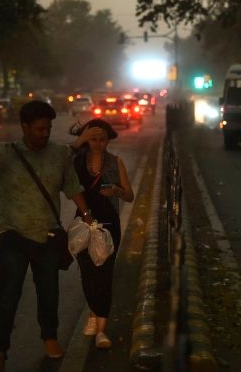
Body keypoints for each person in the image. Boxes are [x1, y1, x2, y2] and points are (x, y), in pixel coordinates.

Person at [0, 100, 93, 371]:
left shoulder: (59, 155)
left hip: (48, 235)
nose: (45, 133)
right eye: (39, 128)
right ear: (25, 126)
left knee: (49, 292)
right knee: (8, 294)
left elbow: (72, 186)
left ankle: (50, 338)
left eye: (48, 128)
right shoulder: (6, 153)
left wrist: (87, 215)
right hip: (13, 235)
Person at [68, 118, 134, 349]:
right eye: (92, 139)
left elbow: (129, 195)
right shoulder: (76, 162)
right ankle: (95, 312)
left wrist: (117, 190)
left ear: (109, 140)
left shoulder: (116, 162)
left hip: (108, 224)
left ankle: (101, 331)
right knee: (88, 273)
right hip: (83, 224)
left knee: (105, 274)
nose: (97, 143)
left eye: (102, 139)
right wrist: (79, 141)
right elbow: (59, 174)